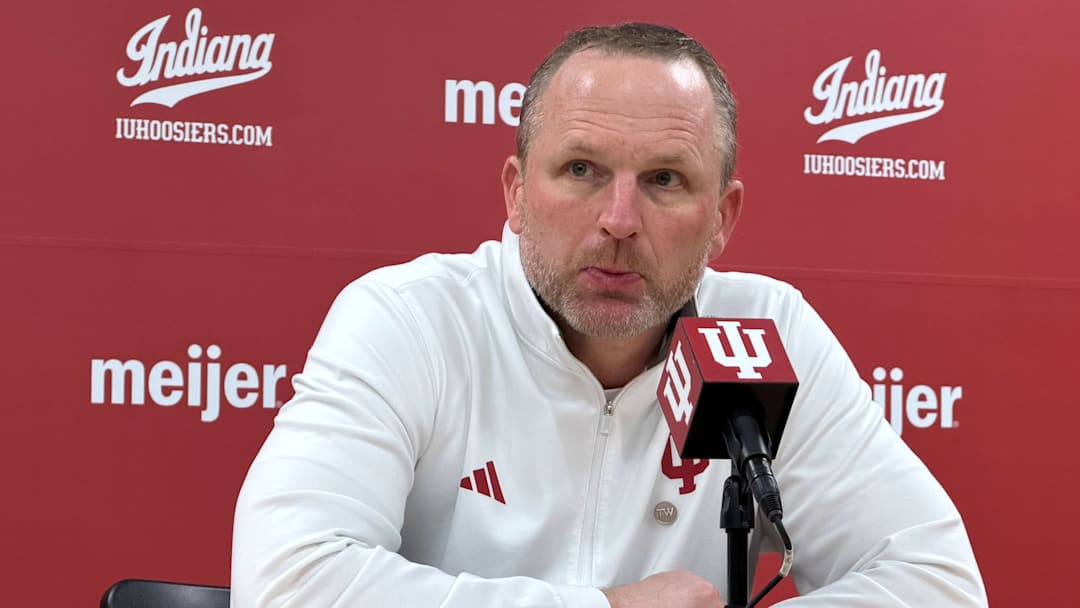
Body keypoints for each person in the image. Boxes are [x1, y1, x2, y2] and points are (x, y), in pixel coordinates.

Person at [231, 23, 987, 607]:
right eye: (582, 170)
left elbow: (937, 582)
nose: (619, 220)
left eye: (663, 178)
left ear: (722, 217)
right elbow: (288, 580)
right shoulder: (411, 320)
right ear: (517, 194)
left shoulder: (765, 334)